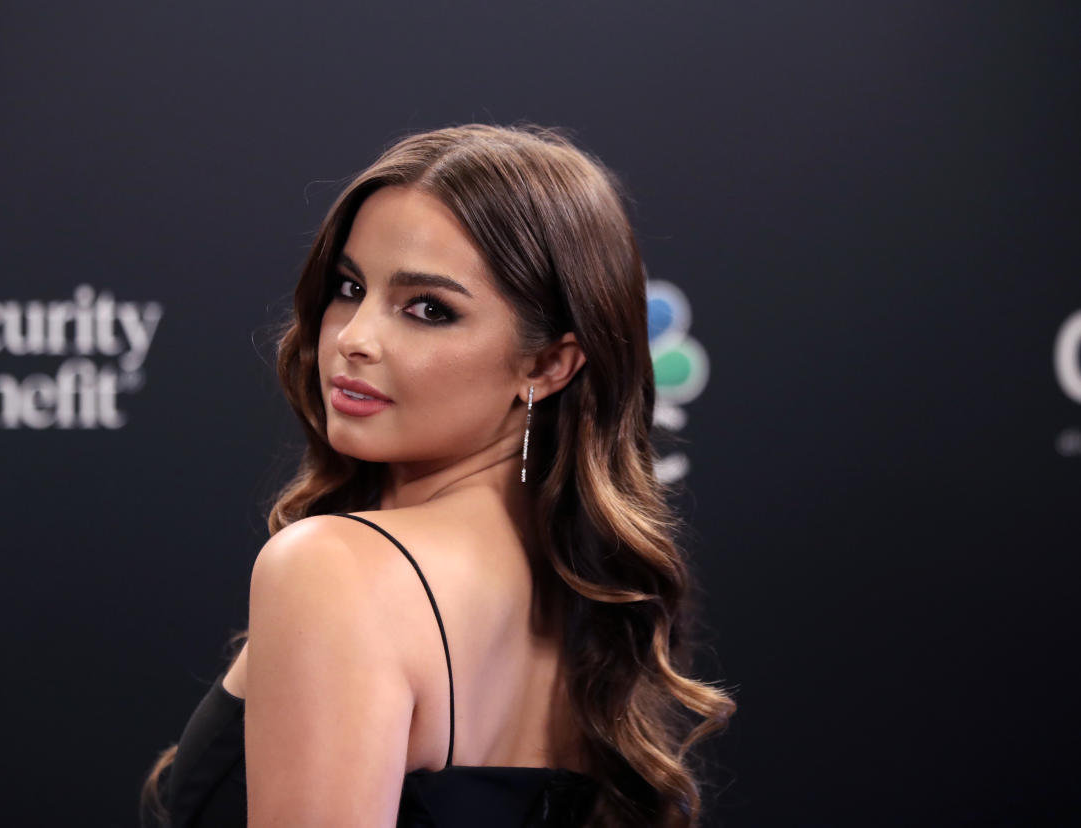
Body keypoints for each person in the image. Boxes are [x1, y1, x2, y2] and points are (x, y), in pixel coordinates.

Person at [142, 123, 734, 828]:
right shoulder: (574, 602)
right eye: (349, 286)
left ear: (548, 364)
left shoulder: (333, 568)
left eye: (428, 309)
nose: (355, 337)